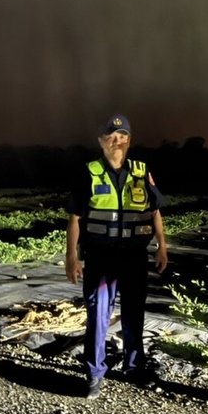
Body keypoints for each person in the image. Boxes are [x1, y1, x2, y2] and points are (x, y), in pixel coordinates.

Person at [65, 114, 168, 399]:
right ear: (101, 141)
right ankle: (94, 374)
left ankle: (135, 369)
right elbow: (74, 218)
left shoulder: (141, 172)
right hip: (100, 258)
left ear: (129, 140)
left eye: (122, 136)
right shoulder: (89, 172)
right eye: (111, 136)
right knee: (98, 314)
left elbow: (155, 211)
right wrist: (71, 257)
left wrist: (162, 246)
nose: (117, 141)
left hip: (134, 256)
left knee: (134, 314)